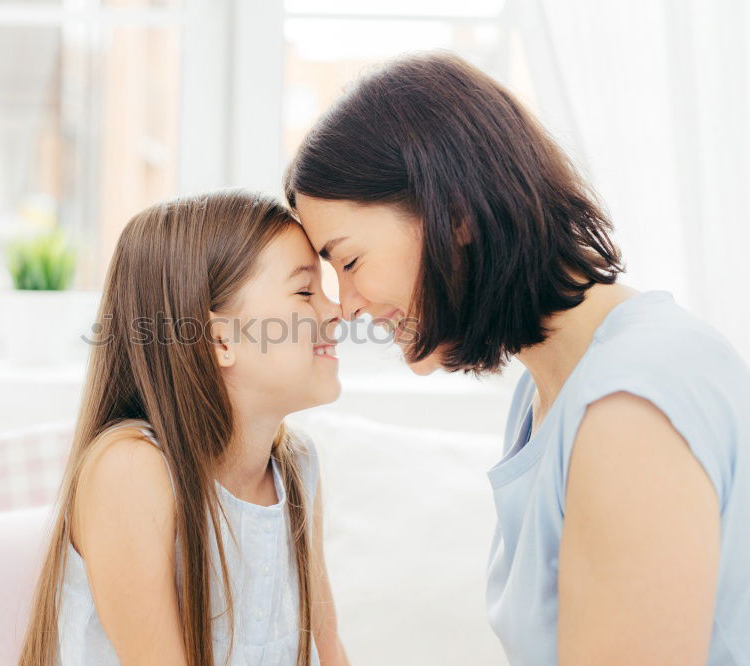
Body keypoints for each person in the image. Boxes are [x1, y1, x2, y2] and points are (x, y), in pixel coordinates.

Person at [284, 51, 750, 665]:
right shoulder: (549, 389)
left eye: (348, 261)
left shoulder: (630, 407)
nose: (346, 306)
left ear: (455, 214)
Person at [18, 189, 350, 666]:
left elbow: (328, 648)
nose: (336, 311)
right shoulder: (131, 470)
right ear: (220, 339)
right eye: (304, 292)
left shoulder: (297, 465)